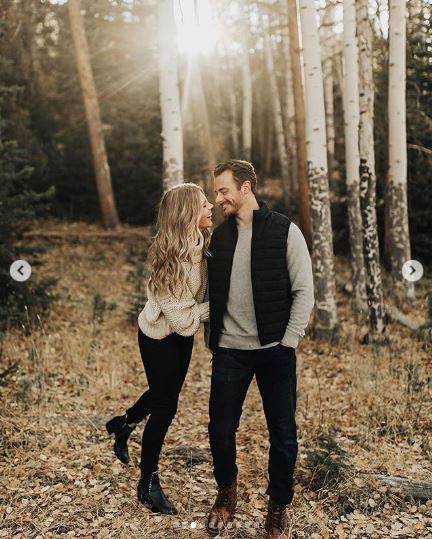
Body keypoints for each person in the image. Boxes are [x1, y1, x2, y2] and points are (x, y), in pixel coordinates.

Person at [204, 160, 314, 539]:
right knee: (220, 428)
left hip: (274, 351)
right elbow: (206, 293)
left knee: (283, 431)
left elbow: (304, 291)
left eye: (223, 191)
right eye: (216, 192)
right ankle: (226, 492)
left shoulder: (285, 230)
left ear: (246, 187)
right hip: (230, 351)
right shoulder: (219, 238)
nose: (217, 199)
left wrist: (289, 342)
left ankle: (278, 505)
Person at [106, 183, 213, 515]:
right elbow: (182, 321)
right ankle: (147, 483)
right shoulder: (169, 262)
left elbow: (189, 315)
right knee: (165, 407)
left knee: (164, 395)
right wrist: (222, 306)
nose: (211, 206)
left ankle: (123, 423)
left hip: (181, 335)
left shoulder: (201, 244)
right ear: (187, 213)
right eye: (204, 203)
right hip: (156, 336)